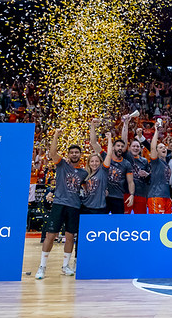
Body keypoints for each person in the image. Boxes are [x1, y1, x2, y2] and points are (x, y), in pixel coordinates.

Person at [35, 129, 88, 280]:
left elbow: (86, 188)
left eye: (77, 152)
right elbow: (52, 154)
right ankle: (42, 266)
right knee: (50, 235)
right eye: (72, 152)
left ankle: (66, 265)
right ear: (69, 154)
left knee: (70, 236)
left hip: (74, 207)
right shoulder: (62, 165)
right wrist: (56, 135)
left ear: (80, 155)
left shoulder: (84, 173)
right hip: (59, 204)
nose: (74, 154)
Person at [90, 119, 135, 214]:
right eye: (118, 146)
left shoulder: (126, 163)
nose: (120, 148)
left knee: (118, 225)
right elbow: (94, 143)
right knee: (101, 223)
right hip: (103, 196)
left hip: (118, 197)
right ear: (113, 147)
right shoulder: (105, 157)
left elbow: (130, 182)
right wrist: (93, 127)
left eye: (122, 146)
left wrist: (131, 194)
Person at [123, 114, 150, 214]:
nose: (135, 148)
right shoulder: (126, 156)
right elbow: (124, 141)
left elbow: (149, 179)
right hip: (126, 192)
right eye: (133, 146)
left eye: (138, 146)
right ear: (129, 148)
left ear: (140, 148)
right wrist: (125, 123)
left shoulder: (144, 161)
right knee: (125, 219)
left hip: (141, 193)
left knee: (141, 220)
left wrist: (146, 175)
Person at [147, 125, 172, 214]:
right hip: (156, 196)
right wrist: (156, 131)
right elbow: (153, 147)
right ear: (157, 152)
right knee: (156, 223)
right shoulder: (156, 161)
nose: (164, 148)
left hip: (166, 197)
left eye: (164, 147)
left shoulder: (166, 164)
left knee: (166, 223)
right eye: (161, 147)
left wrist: (168, 196)